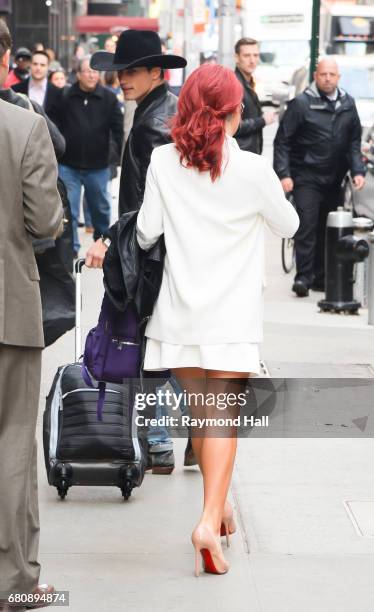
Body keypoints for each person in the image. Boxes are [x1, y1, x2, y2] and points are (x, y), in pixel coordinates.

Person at [135, 63, 299, 575]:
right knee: (222, 417)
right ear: (232, 113)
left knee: (203, 417)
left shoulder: (163, 160)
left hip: (179, 315)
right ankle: (208, 519)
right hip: (231, 317)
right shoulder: (251, 169)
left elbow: (145, 233)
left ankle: (220, 503)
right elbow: (289, 224)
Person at [86, 29, 190, 474]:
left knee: (148, 349)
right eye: (120, 71)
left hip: (151, 252)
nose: (123, 79)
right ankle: (195, 437)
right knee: (167, 350)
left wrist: (110, 237)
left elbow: (148, 203)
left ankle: (161, 444)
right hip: (163, 249)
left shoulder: (152, 124)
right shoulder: (161, 111)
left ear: (155, 72)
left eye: (131, 71)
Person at [0, 20, 64, 608]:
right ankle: (17, 584)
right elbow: (46, 223)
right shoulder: (23, 127)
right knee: (13, 444)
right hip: (7, 310)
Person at [274, 58, 366, 297]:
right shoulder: (302, 104)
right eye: (323, 74)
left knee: (329, 229)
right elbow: (282, 141)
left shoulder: (348, 104)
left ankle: (321, 277)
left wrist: (357, 170)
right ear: (316, 76)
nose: (327, 78)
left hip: (334, 178)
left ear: (338, 77)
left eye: (332, 75)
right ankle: (303, 277)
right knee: (307, 226)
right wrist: (284, 174)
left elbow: (354, 141)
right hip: (306, 177)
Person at [56, 56, 123, 256]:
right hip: (69, 166)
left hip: (98, 166)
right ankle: (72, 248)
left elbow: (118, 130)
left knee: (101, 209)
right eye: (88, 71)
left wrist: (114, 155)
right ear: (78, 74)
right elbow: (55, 125)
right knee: (70, 211)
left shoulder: (109, 98)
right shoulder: (66, 96)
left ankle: (102, 245)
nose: (92, 75)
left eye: (95, 72)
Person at [234, 37, 277, 154]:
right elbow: (234, 125)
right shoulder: (235, 85)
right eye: (247, 55)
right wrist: (262, 120)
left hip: (248, 151)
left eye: (256, 55)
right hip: (241, 153)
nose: (252, 60)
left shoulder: (248, 81)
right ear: (237, 58)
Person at [12, 49, 61, 123]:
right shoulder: (16, 89)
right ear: (30, 65)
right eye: (35, 64)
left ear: (48, 67)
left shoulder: (57, 93)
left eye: (42, 65)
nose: (38, 68)